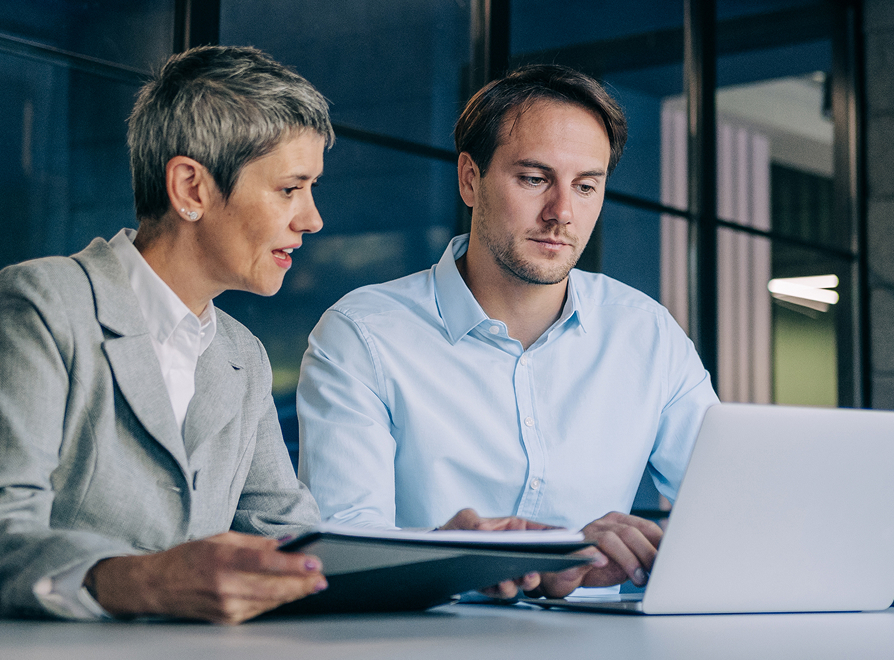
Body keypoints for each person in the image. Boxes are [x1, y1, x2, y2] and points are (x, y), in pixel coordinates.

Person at [0, 45, 334, 624]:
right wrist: (145, 580)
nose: (312, 219)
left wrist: (441, 556)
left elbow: (295, 543)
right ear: (191, 189)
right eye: (290, 189)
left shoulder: (242, 355)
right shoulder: (41, 306)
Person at [297, 64, 719, 598]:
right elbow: (343, 557)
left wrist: (658, 553)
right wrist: (474, 558)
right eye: (534, 179)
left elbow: (734, 509)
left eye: (586, 186)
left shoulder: (646, 333)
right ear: (470, 179)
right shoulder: (362, 335)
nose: (561, 213)